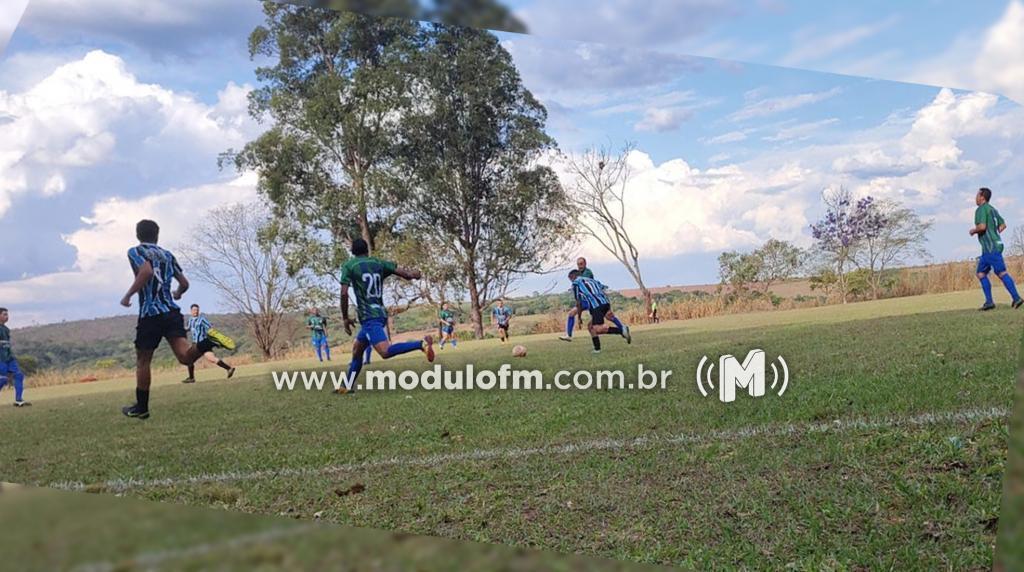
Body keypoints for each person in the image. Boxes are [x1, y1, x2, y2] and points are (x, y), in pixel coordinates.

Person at [119, 220, 202, 419]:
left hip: (150, 313)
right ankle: (208, 342)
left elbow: (146, 271)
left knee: (143, 360)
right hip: (172, 312)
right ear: (157, 235)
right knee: (185, 356)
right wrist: (178, 293)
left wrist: (129, 294)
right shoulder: (167, 255)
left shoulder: (136, 251)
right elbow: (184, 283)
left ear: (138, 234)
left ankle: (142, 407)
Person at [338, 239, 434, 394]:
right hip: (379, 313)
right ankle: (346, 385)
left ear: (352, 251)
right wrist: (414, 275)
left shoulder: (350, 266)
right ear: (367, 250)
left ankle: (420, 344)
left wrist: (345, 318)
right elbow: (405, 274)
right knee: (357, 349)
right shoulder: (378, 263)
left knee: (385, 352)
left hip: (369, 316)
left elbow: (343, 293)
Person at [971, 187, 1022, 311]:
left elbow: (982, 227)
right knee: (981, 273)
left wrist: (973, 230)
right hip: (995, 245)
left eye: (977, 195)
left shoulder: (981, 209)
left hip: (990, 247)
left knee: (1001, 272)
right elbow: (1003, 225)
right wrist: (994, 232)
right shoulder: (993, 210)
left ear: (982, 197)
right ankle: (989, 302)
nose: (975, 198)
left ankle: (1016, 298)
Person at [568, 269, 631, 353]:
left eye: (570, 279)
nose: (571, 281)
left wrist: (579, 317)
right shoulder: (593, 280)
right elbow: (604, 291)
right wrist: (608, 307)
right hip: (605, 303)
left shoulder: (576, 283)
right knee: (590, 326)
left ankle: (621, 330)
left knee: (597, 329)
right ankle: (597, 349)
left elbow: (578, 302)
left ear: (572, 276)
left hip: (596, 306)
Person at [182, 304, 235, 383]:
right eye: (194, 310)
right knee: (212, 359)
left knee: (188, 358)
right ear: (191, 311)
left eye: (197, 310)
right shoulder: (190, 320)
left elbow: (210, 329)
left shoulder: (202, 319)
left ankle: (191, 378)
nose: (195, 311)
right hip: (197, 343)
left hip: (201, 342)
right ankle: (229, 368)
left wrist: (216, 337)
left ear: (198, 311)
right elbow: (188, 328)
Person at [560, 257, 596, 342]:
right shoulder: (578, 274)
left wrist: (579, 318)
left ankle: (621, 329)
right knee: (571, 314)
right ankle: (568, 335)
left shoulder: (587, 273)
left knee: (607, 317)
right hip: (583, 300)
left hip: (592, 300)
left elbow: (582, 284)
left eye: (581, 264)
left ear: (585, 263)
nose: (579, 266)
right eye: (578, 264)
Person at [0, 308, 30, 407]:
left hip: (9, 357)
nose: (7, 316)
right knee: (3, 379)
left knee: (19, 375)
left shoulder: (6, 329)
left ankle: (19, 400)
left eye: (7, 314)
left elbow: (6, 344)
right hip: (1, 358)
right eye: (4, 314)